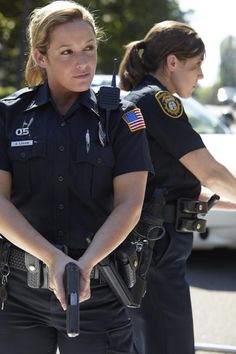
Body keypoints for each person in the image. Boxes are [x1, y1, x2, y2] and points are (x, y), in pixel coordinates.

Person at [0, 1, 153, 353]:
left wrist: (84, 264)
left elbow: (131, 202)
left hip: (96, 292)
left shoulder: (121, 116)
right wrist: (54, 259)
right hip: (18, 294)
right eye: (66, 52)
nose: (82, 61)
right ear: (41, 57)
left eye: (89, 48)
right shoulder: (9, 115)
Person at [118, 20, 236, 354]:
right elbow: (209, 171)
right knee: (170, 344)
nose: (200, 76)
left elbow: (171, 183)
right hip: (158, 243)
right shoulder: (158, 101)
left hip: (148, 242)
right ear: (172, 62)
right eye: (196, 66)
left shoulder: (140, 97)